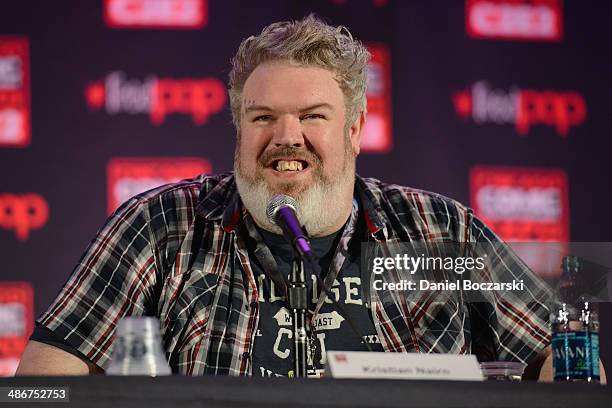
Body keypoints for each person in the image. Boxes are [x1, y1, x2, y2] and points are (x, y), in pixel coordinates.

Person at [17, 15, 556, 379]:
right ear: (238, 128)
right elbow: (39, 387)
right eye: (263, 118)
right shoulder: (162, 226)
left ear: (355, 130)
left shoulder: (440, 231)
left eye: (312, 116)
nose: (286, 137)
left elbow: (565, 363)